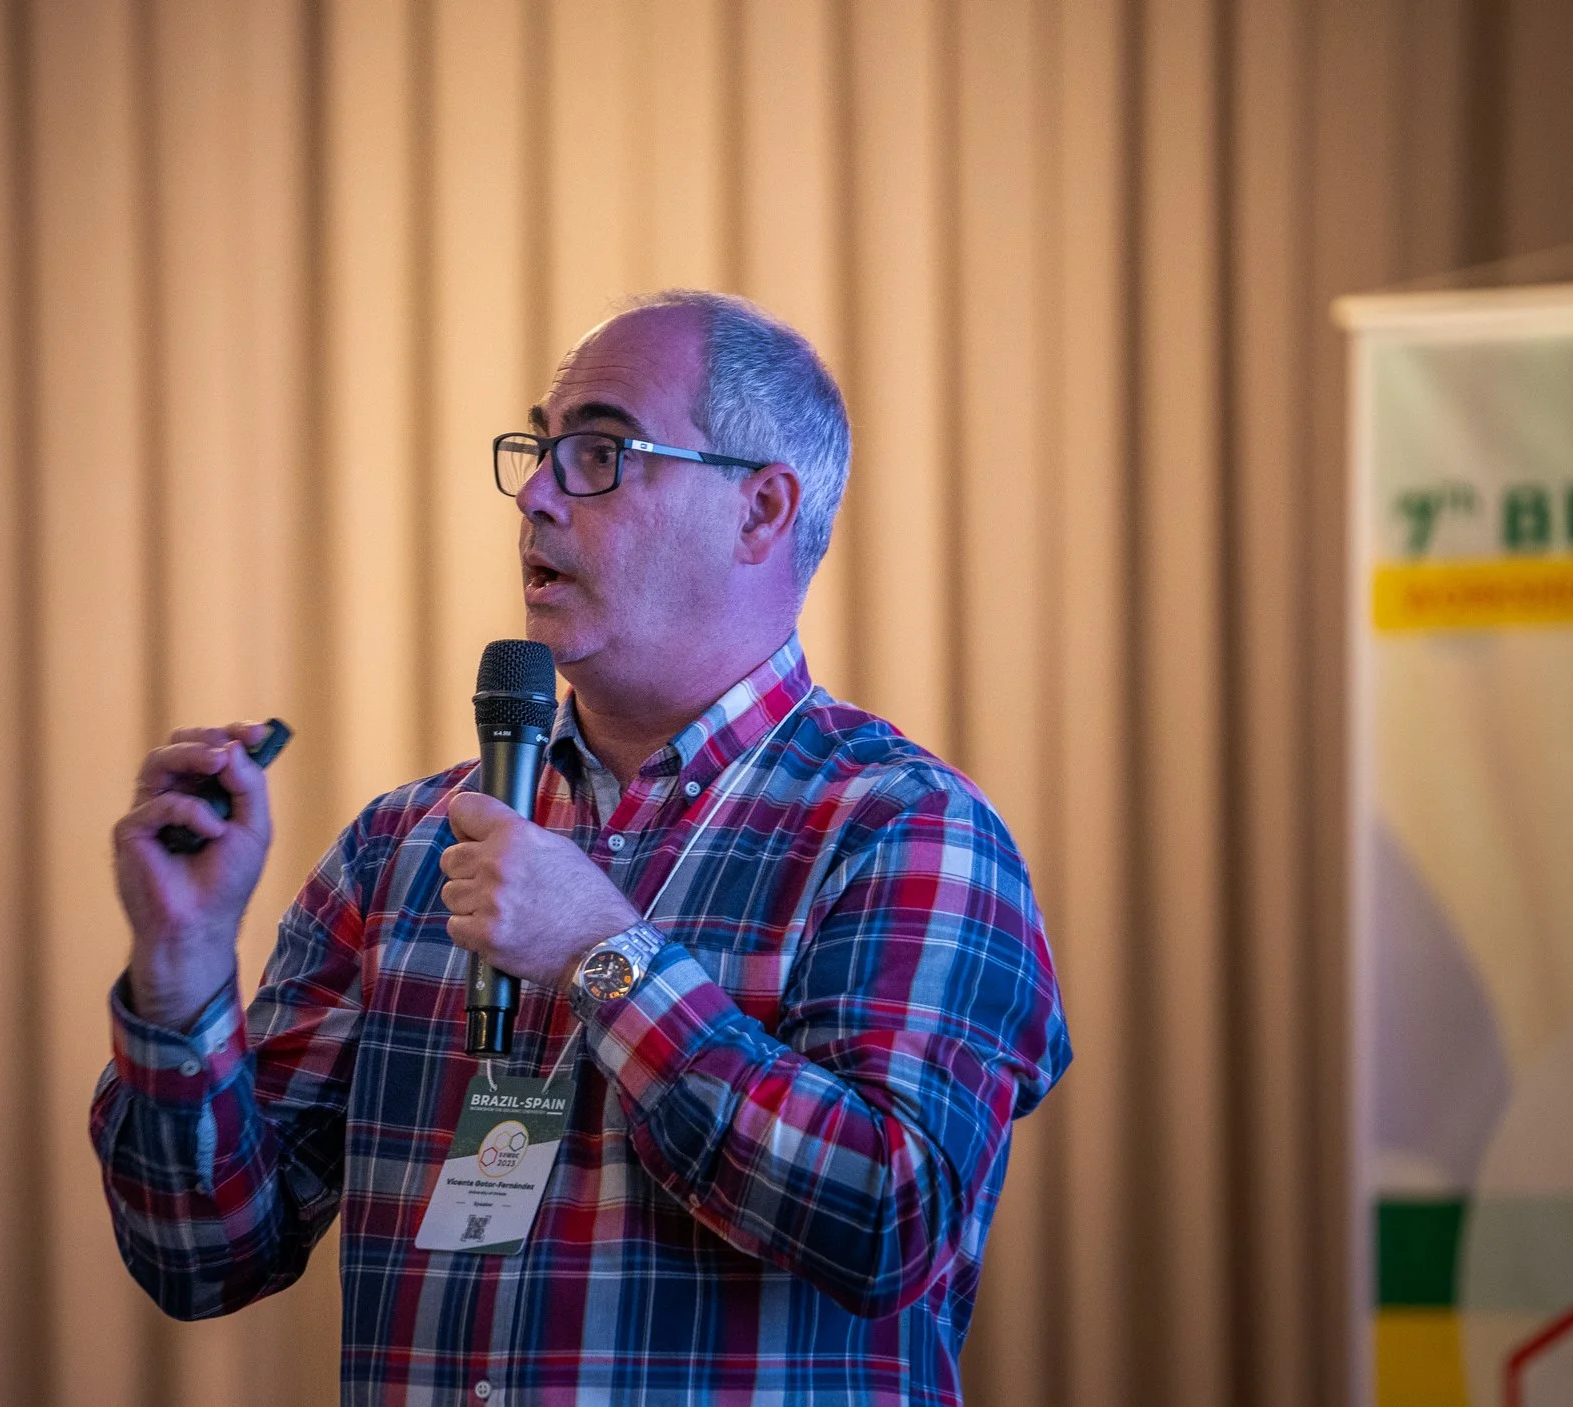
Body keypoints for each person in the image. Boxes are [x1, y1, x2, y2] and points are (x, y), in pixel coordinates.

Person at [95, 289, 1070, 1404]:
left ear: (759, 510)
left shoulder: (905, 831)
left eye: (598, 451)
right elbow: (202, 1256)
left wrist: (608, 959)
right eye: (539, 448)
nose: (535, 492)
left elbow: (894, 1224)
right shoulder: (402, 845)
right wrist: (178, 980)